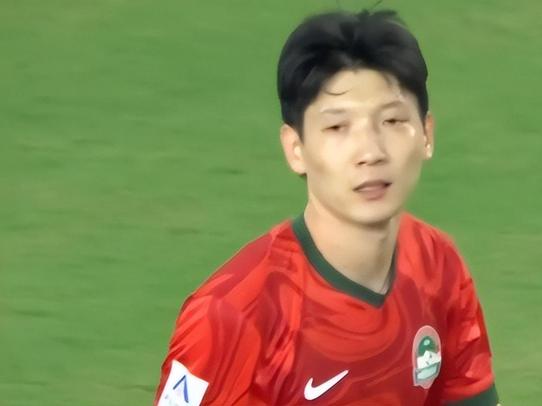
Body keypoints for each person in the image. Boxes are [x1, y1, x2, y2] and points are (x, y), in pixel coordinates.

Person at [154, 9, 499, 406]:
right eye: (338, 127)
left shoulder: (437, 266)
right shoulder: (232, 317)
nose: (370, 152)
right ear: (295, 149)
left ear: (426, 134)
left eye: (392, 121)